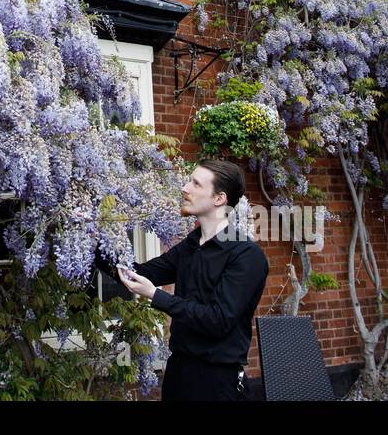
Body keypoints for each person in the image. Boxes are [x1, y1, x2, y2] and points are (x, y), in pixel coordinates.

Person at [106, 159, 269, 401]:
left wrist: (156, 295)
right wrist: (92, 240)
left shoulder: (246, 254)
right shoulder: (191, 246)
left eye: (195, 184)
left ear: (219, 199)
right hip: (178, 375)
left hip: (217, 382)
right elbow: (137, 272)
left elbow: (218, 319)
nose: (184, 188)